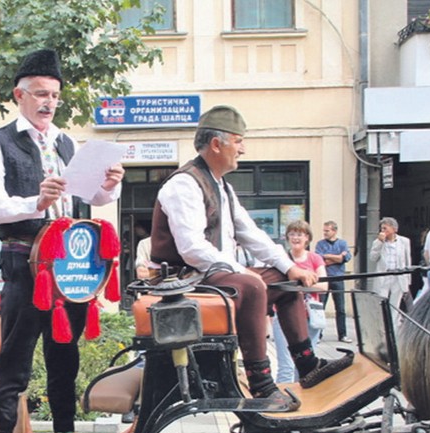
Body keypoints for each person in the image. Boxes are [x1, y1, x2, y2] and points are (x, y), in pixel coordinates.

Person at [0, 49, 124, 433]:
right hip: (24, 261)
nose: (48, 102)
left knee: (65, 358)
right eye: (40, 93)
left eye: (54, 95)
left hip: (68, 264)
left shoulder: (66, 142)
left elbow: (88, 199)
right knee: (15, 364)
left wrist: (108, 187)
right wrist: (33, 202)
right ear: (19, 95)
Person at [149, 105, 353, 411]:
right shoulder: (183, 184)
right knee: (253, 285)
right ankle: (261, 384)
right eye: (238, 140)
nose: (243, 148)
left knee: (284, 279)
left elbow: (253, 234)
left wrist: (291, 266)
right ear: (217, 144)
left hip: (214, 277)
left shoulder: (223, 188)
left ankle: (308, 364)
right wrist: (243, 272)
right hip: (187, 281)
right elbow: (191, 247)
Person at [272, 220, 328, 383]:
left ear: (307, 238)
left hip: (311, 316)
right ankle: (281, 402)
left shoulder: (315, 258)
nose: (296, 237)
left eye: (300, 234)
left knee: (305, 365)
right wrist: (308, 282)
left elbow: (324, 286)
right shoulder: (282, 259)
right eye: (292, 234)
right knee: (286, 366)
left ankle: (304, 402)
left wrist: (298, 285)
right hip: (284, 316)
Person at [314, 220, 352, 342]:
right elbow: (319, 259)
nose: (324, 233)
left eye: (327, 231)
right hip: (324, 278)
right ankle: (318, 335)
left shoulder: (342, 243)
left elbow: (346, 258)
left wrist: (329, 256)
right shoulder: (320, 244)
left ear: (334, 231)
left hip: (338, 278)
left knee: (340, 308)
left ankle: (342, 335)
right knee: (321, 307)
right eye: (324, 230)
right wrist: (338, 257)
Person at [369, 217, 411, 310]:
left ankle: (394, 323)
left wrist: (408, 279)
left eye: (385, 228)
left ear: (394, 229)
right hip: (384, 275)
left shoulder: (404, 241)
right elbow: (373, 258)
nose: (383, 231)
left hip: (398, 275)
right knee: (382, 302)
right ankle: (384, 323)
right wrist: (379, 243)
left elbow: (407, 260)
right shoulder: (378, 242)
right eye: (382, 228)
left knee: (395, 303)